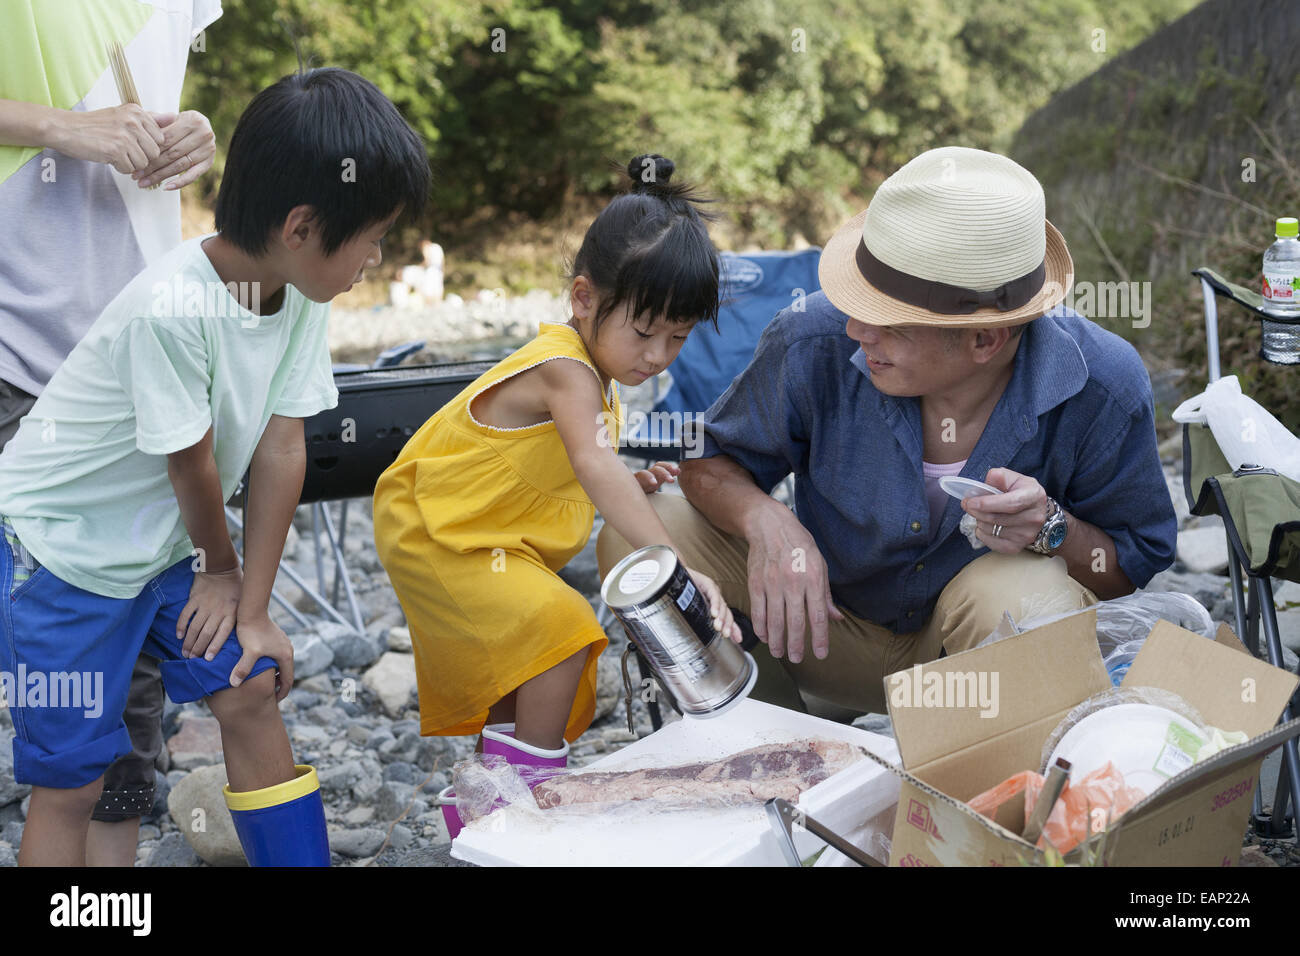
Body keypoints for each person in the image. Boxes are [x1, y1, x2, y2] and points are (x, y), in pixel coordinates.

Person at [0, 66, 431, 866]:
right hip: (60, 556)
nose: (375, 257)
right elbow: (191, 465)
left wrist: (253, 605)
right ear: (302, 226)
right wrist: (219, 567)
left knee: (251, 678)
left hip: (161, 548)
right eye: (373, 237)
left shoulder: (298, 293)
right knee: (72, 782)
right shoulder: (172, 308)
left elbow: (282, 445)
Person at [597, 146, 1178, 719]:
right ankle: (759, 744)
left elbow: (1127, 569)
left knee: (1023, 591)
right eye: (857, 301)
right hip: (819, 633)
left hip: (965, 677)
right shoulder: (813, 337)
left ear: (984, 340)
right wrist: (767, 520)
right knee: (642, 541)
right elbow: (709, 462)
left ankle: (982, 771)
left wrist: (1051, 529)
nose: (855, 328)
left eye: (887, 322)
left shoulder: (1103, 384)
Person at [372, 155, 741, 780]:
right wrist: (672, 560)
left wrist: (630, 481)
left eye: (677, 338)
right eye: (645, 332)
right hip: (440, 533)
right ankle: (532, 805)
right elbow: (594, 461)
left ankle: (488, 807)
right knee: (563, 632)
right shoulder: (564, 367)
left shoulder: (597, 371)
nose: (658, 356)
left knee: (518, 666)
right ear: (582, 297)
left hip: (484, 536)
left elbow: (581, 460)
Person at [0, 0, 220, 867]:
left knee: (119, 675)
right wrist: (65, 129)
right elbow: (86, 121)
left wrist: (194, 132)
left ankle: (102, 913)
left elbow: (157, 114)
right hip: (10, 342)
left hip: (125, 356)